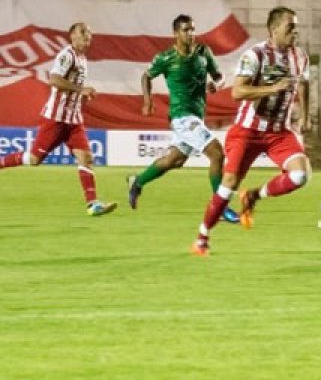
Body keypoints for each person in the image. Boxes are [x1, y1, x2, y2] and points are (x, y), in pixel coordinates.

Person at [191, 6, 311, 256]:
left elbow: (304, 84)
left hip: (279, 131)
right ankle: (202, 236)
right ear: (274, 29)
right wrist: (272, 88)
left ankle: (254, 196)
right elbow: (237, 92)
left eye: (296, 27)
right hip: (248, 130)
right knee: (228, 185)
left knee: (301, 175)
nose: (295, 32)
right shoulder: (254, 55)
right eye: (290, 27)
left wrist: (306, 116)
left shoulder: (300, 56)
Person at [126, 14, 240, 223]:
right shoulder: (166, 58)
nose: (191, 33)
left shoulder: (203, 52)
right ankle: (220, 207)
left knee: (174, 160)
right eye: (186, 30)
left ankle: (137, 181)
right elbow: (146, 76)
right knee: (217, 153)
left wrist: (217, 84)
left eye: (193, 29)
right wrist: (147, 101)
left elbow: (219, 76)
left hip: (196, 116)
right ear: (175, 33)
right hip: (182, 117)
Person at [0, 22, 117, 216]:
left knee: (86, 157)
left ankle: (93, 204)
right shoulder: (66, 55)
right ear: (72, 35)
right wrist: (81, 89)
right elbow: (54, 79)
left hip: (74, 120)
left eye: (89, 33)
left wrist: (82, 96)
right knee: (34, 159)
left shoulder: (82, 59)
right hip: (56, 118)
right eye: (83, 32)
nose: (87, 36)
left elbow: (72, 88)